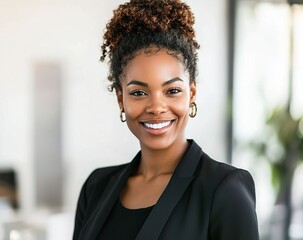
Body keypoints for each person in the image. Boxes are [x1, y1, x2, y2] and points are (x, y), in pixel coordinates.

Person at [73, 0, 259, 239]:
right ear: (121, 99)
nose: (156, 107)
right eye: (139, 93)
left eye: (172, 91)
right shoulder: (96, 187)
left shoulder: (224, 189)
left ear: (191, 94)